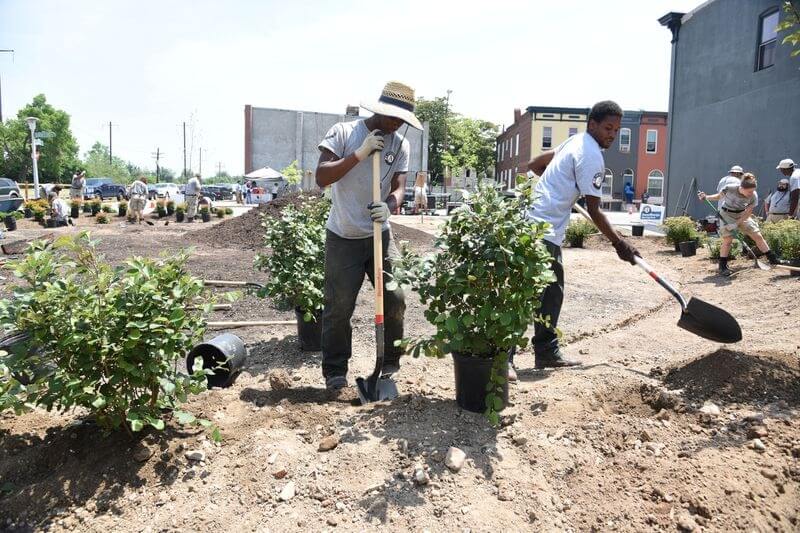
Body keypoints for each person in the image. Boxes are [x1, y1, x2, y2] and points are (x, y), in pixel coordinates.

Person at [509, 101, 640, 379]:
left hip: (534, 223)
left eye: (616, 131)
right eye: (608, 128)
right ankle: (505, 357)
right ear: (592, 124)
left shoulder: (575, 141)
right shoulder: (592, 156)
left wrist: (561, 190)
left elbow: (535, 165)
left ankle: (545, 351)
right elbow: (595, 210)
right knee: (530, 292)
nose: (612, 136)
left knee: (552, 291)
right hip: (541, 230)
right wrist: (620, 244)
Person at [314, 81, 422, 392]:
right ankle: (335, 370)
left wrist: (390, 206)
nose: (396, 125)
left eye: (403, 121)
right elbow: (322, 177)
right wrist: (359, 154)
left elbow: (399, 188)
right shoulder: (344, 133)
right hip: (343, 236)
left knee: (395, 297)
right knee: (338, 306)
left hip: (379, 234)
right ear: (379, 110)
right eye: (393, 118)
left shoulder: (401, 144)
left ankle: (388, 362)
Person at [698, 173, 779, 276]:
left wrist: (736, 224)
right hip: (727, 213)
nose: (751, 193)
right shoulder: (730, 188)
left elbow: (748, 212)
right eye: (749, 191)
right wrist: (707, 197)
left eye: (753, 190)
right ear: (741, 188)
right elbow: (719, 196)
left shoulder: (753, 196)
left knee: (757, 235)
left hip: (742, 214)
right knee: (728, 240)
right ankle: (722, 266)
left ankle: (773, 259)